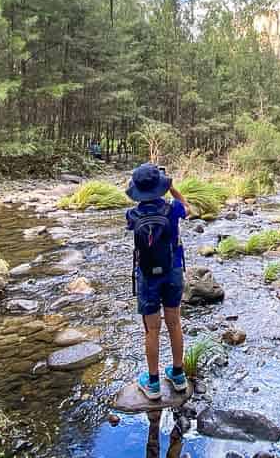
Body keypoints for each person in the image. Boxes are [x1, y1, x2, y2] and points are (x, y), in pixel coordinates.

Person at [125, 162, 190, 400]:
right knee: (174, 323)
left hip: (147, 275)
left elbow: (132, 222)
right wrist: (172, 187)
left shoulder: (132, 214)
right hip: (172, 271)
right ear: (162, 187)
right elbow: (188, 208)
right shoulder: (173, 208)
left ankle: (152, 383)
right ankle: (178, 374)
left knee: (152, 329)